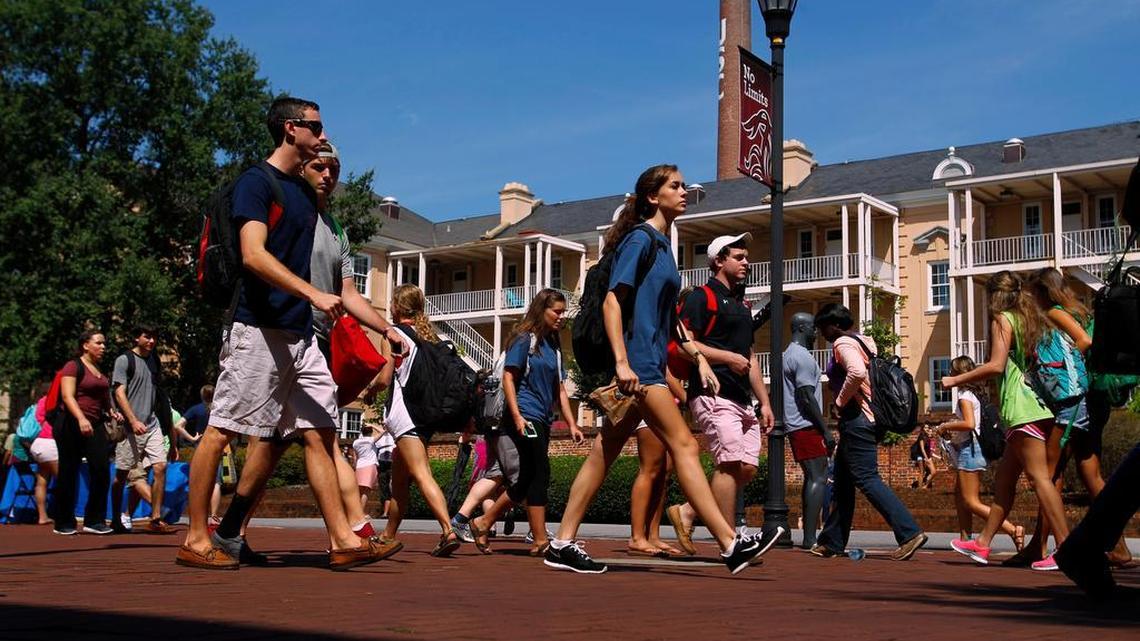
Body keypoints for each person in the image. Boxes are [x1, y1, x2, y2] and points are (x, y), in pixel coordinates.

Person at [177, 97, 393, 571]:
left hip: (299, 337)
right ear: (291, 129)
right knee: (221, 432)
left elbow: (339, 284)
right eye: (315, 126)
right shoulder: (257, 183)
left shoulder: (302, 194)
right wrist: (312, 295)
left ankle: (342, 539)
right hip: (257, 327)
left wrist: (386, 328)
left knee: (321, 431)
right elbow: (253, 254)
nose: (322, 133)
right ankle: (196, 538)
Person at [544, 164, 772, 575]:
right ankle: (729, 542)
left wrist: (698, 356)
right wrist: (622, 362)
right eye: (675, 186)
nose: (684, 192)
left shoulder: (664, 246)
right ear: (653, 196)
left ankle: (560, 542)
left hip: (647, 362)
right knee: (683, 445)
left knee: (604, 452)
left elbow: (669, 318)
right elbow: (615, 302)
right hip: (640, 367)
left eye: (683, 185)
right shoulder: (640, 239)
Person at [229, 141, 401, 564]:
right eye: (320, 166)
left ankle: (230, 529)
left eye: (335, 169)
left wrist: (385, 327)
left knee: (279, 443)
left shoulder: (337, 229)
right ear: (303, 166)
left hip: (316, 342)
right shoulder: (288, 214)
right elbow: (258, 258)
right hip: (279, 335)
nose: (328, 176)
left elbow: (346, 292)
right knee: (302, 437)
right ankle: (352, 533)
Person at [944, 271, 1066, 571]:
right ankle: (983, 543)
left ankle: (1066, 548)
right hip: (1036, 405)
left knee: (1040, 479)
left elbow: (997, 366)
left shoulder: (1003, 319)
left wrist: (956, 379)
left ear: (994, 295)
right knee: (1004, 482)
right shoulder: (1031, 318)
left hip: (1021, 407)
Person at [666, 233, 776, 551]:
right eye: (738, 257)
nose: (746, 262)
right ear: (718, 261)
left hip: (743, 398)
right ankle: (729, 539)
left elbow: (751, 357)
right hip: (712, 393)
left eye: (745, 257)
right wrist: (727, 358)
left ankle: (688, 511)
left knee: (747, 467)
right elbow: (683, 344)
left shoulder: (741, 305)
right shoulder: (701, 297)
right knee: (728, 464)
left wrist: (764, 402)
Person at [1019, 267, 1131, 567]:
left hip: (1080, 398)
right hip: (1095, 397)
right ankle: (1114, 547)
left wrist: (1070, 372)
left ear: (1044, 292)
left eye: (1033, 294)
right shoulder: (1078, 309)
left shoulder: (1055, 313)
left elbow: (1084, 341)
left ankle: (1053, 547)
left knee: (1050, 472)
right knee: (1088, 472)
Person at [468, 289, 585, 556]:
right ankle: (539, 538)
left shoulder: (553, 345)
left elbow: (560, 389)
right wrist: (518, 416)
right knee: (539, 472)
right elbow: (509, 378)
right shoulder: (524, 339)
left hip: (542, 417)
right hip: (523, 414)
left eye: (563, 311)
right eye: (556, 311)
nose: (561, 316)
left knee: (530, 476)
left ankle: (483, 522)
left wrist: (572, 423)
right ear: (541, 310)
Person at [810, 303, 927, 560]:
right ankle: (832, 541)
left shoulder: (842, 343)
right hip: (868, 420)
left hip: (858, 419)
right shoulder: (863, 341)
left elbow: (857, 372)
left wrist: (839, 402)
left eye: (823, 328)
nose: (822, 334)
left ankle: (909, 533)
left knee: (866, 478)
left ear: (834, 326)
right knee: (842, 481)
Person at [377, 284, 466, 556]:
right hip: (426, 414)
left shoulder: (394, 335)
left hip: (406, 415)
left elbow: (384, 378)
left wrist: (368, 389)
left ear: (396, 307)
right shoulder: (428, 338)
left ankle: (447, 530)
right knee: (400, 481)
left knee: (421, 473)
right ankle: (388, 535)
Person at [935, 356, 1023, 547]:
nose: (949, 375)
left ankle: (1012, 529)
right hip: (972, 448)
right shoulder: (975, 394)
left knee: (971, 501)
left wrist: (945, 426)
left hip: (971, 450)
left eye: (952, 371)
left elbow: (969, 424)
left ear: (959, 374)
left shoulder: (965, 396)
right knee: (960, 495)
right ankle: (965, 537)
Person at [52, 331, 120, 536]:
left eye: (104, 343)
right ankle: (63, 522)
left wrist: (112, 412)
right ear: (85, 345)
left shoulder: (99, 369)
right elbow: (67, 396)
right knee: (68, 471)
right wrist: (81, 418)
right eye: (98, 343)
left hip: (95, 424)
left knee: (101, 469)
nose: (103, 347)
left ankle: (94, 520)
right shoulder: (73, 366)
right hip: (71, 423)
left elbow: (103, 396)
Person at [110, 325, 177, 535]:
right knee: (121, 477)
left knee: (160, 467)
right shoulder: (124, 360)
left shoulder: (154, 361)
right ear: (136, 338)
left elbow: (157, 395)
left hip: (151, 423)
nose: (151, 341)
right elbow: (119, 393)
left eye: (154, 337)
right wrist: (132, 420)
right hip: (131, 428)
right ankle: (115, 518)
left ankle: (155, 518)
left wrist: (169, 434)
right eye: (147, 337)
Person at [782, 312, 833, 549]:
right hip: (805, 425)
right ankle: (811, 538)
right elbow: (805, 395)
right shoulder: (801, 358)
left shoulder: (788, 355)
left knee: (813, 477)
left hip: (798, 425)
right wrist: (825, 429)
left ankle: (810, 536)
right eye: (813, 327)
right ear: (802, 328)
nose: (816, 332)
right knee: (818, 477)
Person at [352, 425, 380, 514]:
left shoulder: (356, 442)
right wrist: (372, 425)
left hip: (360, 466)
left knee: (359, 491)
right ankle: (360, 513)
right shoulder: (370, 440)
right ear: (371, 432)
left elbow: (355, 457)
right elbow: (383, 431)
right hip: (370, 465)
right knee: (366, 491)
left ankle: (355, 511)